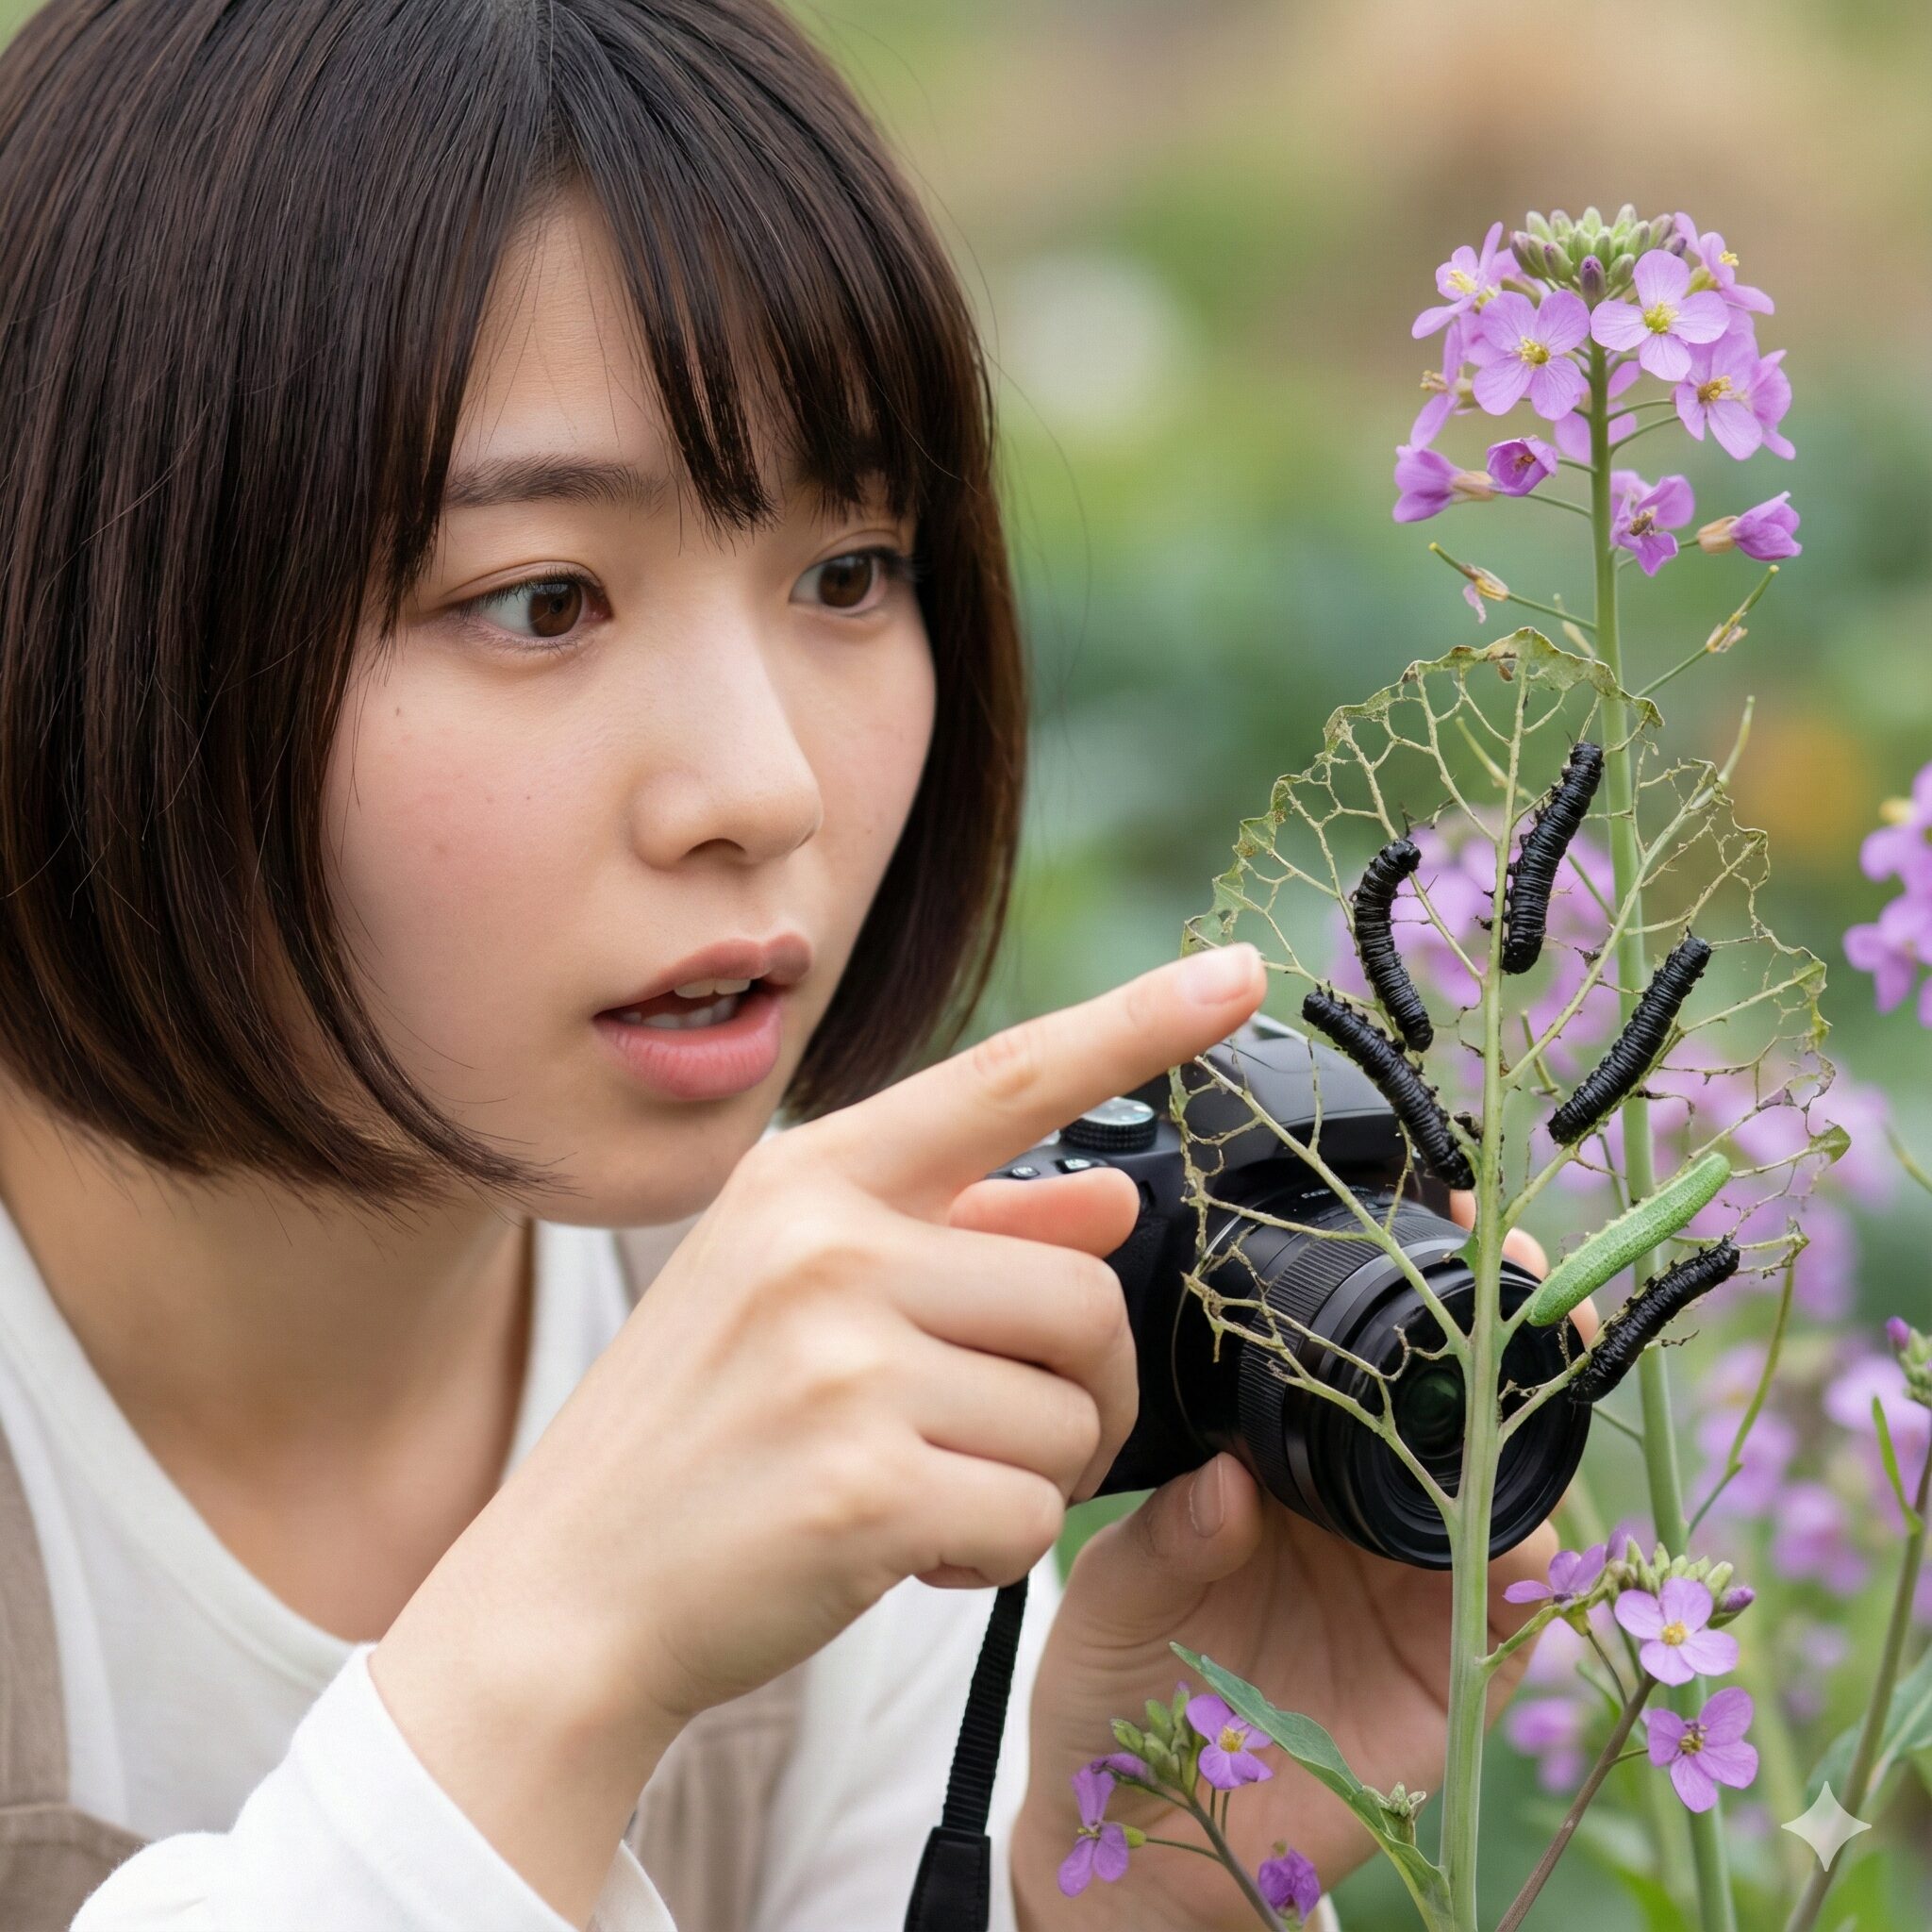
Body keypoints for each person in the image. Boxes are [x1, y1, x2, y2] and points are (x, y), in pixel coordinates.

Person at [0, 3, 1586, 1927]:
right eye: (543, 601)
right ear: (103, 615)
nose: (761, 785)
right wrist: (555, 1646)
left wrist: (1118, 1898)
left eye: (849, 572)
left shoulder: (804, 1328)